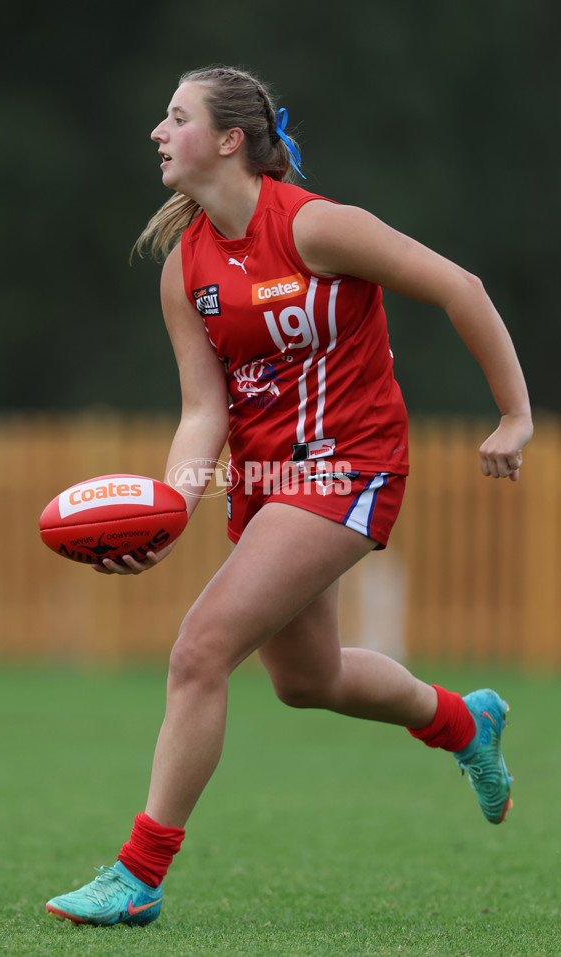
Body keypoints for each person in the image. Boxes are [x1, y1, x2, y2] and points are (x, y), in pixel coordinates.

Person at [45, 66, 533, 927]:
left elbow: (462, 286)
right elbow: (204, 412)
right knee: (309, 680)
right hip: (266, 483)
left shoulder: (316, 227)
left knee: (199, 650)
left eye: (175, 117)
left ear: (230, 139)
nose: (157, 132)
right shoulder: (184, 268)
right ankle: (465, 721)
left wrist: (515, 413)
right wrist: (172, 507)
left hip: (351, 465)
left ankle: (138, 873)